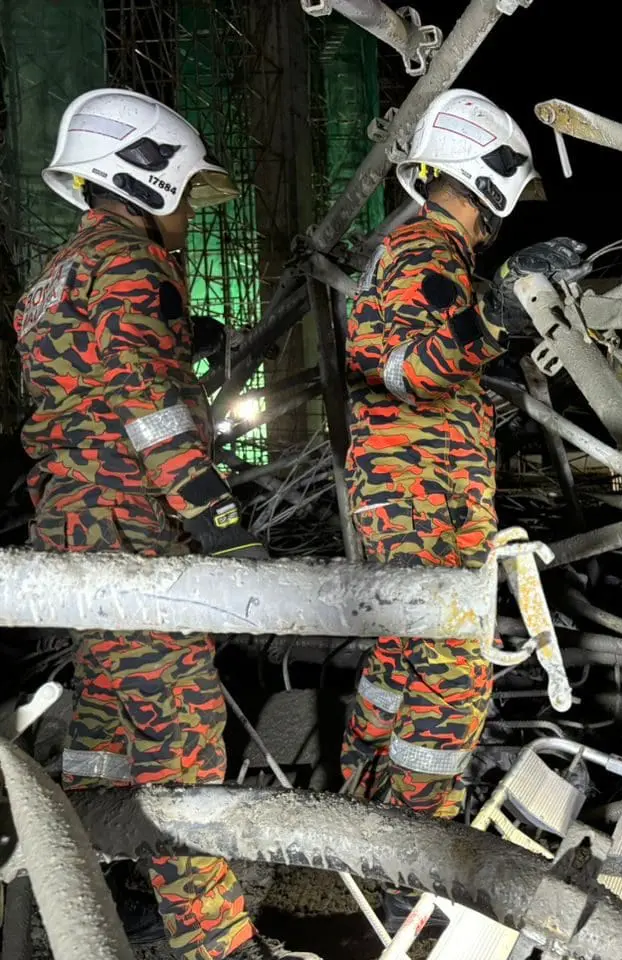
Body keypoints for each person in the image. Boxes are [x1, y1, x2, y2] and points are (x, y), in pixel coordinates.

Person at [14, 89, 317, 960]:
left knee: (107, 718)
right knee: (181, 740)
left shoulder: (59, 272)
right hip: (136, 532)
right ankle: (215, 944)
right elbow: (151, 413)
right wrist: (220, 521)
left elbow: (92, 386)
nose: (188, 212)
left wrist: (181, 340)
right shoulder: (131, 264)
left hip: (74, 526)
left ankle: (95, 896)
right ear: (143, 179)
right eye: (184, 192)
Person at [340, 88, 587, 929]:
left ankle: (361, 816)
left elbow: (423, 370)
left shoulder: (415, 251)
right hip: (422, 498)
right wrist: (501, 313)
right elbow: (406, 368)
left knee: (397, 667)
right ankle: (415, 865)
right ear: (494, 178)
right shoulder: (422, 251)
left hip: (416, 488)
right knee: (449, 683)